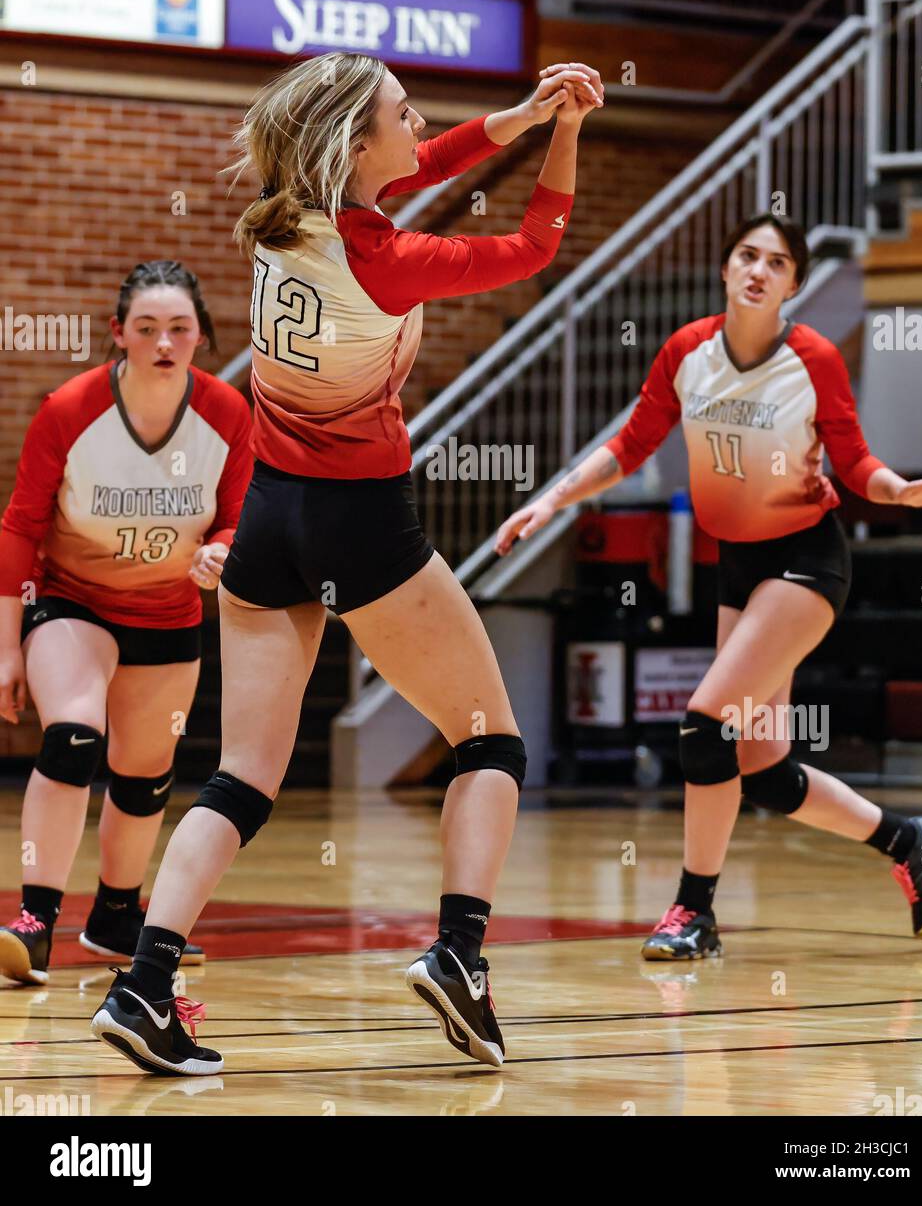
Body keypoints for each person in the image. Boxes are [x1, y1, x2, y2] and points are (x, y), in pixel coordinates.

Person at [91, 52, 604, 1073]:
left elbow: (426, 163)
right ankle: (460, 953)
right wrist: (568, 136)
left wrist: (528, 115)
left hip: (270, 512)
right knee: (490, 745)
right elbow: (536, 242)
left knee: (240, 777)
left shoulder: (288, 216)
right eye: (402, 115)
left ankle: (145, 984)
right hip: (359, 521)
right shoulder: (389, 256)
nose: (422, 126)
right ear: (358, 144)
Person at [496, 213, 922, 959]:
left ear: (794, 285)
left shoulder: (813, 358)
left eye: (776, 263)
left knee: (705, 724)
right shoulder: (687, 353)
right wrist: (550, 500)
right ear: (725, 268)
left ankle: (693, 914)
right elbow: (628, 445)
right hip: (736, 565)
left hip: (807, 560)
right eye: (747, 255)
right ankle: (910, 838)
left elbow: (855, 458)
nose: (758, 271)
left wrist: (898, 491)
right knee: (761, 769)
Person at [0, 262, 253, 985]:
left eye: (179, 328)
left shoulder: (229, 415)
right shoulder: (70, 408)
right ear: (120, 335)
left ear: (200, 336)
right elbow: (18, 526)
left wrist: (219, 552)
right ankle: (35, 922)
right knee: (74, 733)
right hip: (72, 600)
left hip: (168, 612)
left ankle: (116, 917)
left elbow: (241, 519)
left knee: (145, 778)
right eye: (146, 328)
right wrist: (6, 648)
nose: (163, 342)